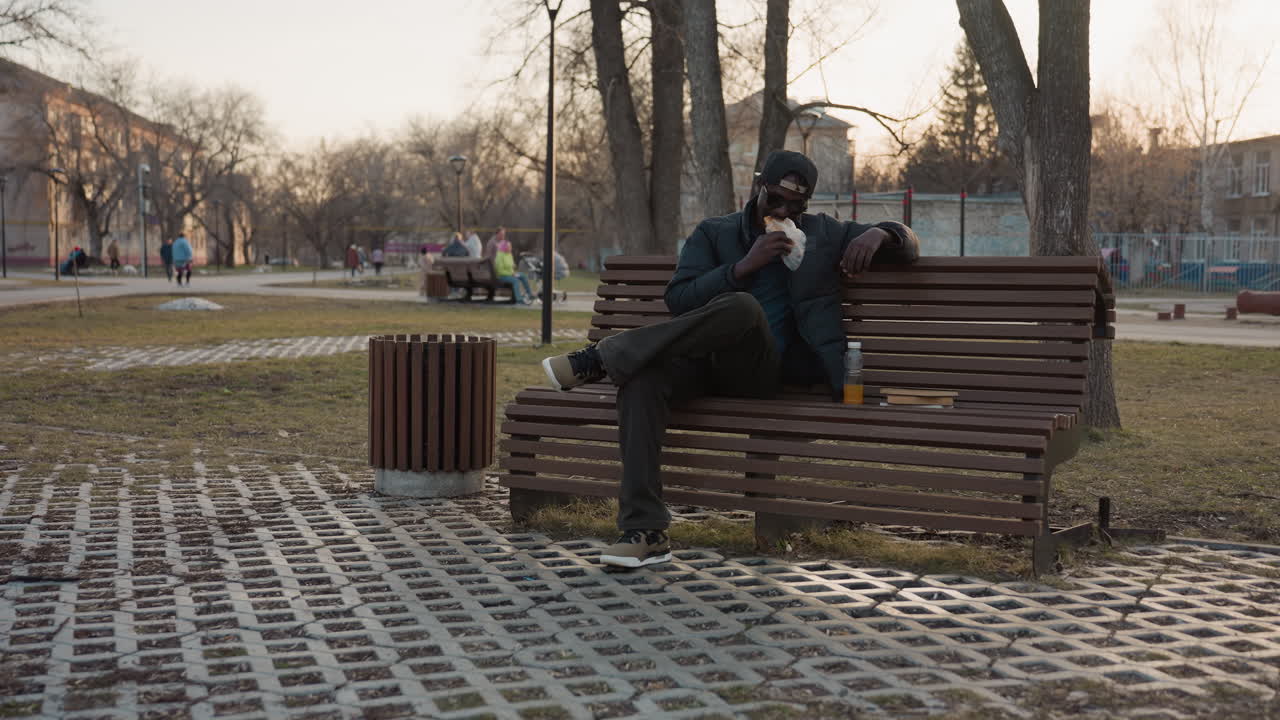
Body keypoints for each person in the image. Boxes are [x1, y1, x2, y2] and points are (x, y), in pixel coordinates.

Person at [541, 150, 920, 569]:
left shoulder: (824, 233)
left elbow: (909, 245)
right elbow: (678, 299)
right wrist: (742, 266)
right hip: (701, 366)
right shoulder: (714, 233)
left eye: (795, 206)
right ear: (758, 188)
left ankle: (600, 358)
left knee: (743, 308)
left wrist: (881, 234)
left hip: (765, 372)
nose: (782, 211)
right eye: (774, 199)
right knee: (642, 380)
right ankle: (645, 532)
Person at [493, 236, 535, 304]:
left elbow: (511, 266)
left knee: (523, 276)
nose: (510, 248)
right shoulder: (499, 256)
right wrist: (511, 274)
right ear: (504, 247)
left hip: (510, 274)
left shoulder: (509, 254)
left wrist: (513, 271)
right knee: (515, 280)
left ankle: (529, 294)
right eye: (509, 246)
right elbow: (500, 270)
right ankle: (519, 300)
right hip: (502, 276)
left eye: (510, 246)